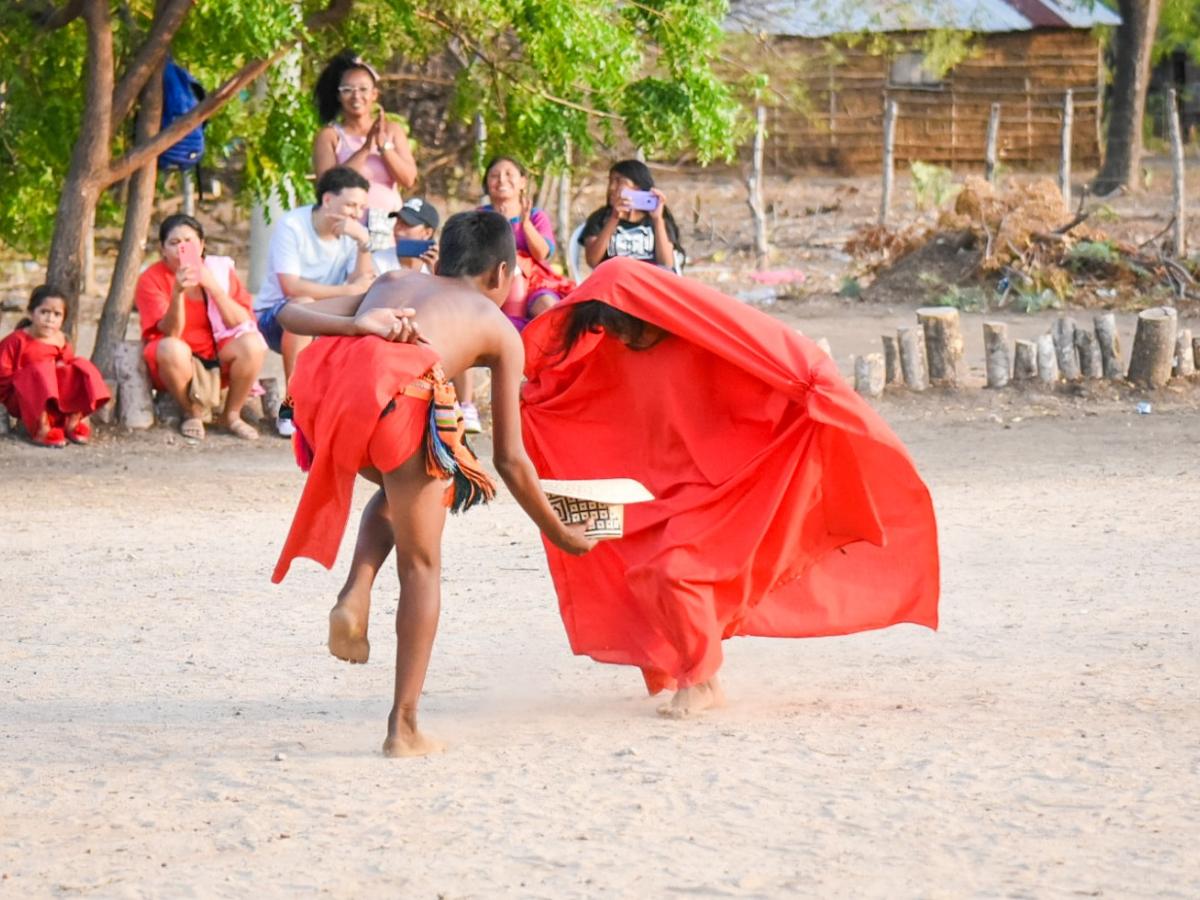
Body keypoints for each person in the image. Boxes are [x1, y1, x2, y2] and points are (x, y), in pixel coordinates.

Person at [520, 258, 940, 718]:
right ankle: (701, 676)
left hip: (731, 481)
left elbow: (775, 356)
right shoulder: (616, 352)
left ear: (648, 314)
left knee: (676, 571)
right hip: (668, 490)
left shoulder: (703, 336)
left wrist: (813, 393)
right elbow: (576, 393)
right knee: (646, 573)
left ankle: (700, 682)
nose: (621, 338)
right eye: (610, 329)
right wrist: (535, 400)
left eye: (626, 328)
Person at [270, 210, 596, 757]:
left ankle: (355, 591)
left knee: (410, 483)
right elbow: (511, 460)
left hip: (333, 406)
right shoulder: (499, 329)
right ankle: (404, 726)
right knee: (422, 563)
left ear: (442, 259)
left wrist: (360, 324)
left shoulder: (394, 281)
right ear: (501, 274)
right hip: (398, 409)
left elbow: (288, 313)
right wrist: (559, 533)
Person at [254, 166, 377, 435]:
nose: (356, 214)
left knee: (369, 315)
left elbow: (362, 283)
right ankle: (292, 405)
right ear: (328, 200)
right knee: (302, 303)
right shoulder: (292, 225)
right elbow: (290, 286)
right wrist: (346, 292)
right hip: (274, 316)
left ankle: (349, 411)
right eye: (351, 206)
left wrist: (363, 243)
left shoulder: (354, 233)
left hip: (327, 314)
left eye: (361, 208)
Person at [135, 214, 265, 440]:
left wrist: (212, 286)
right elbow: (172, 333)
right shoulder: (151, 279)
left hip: (217, 354)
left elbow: (241, 322)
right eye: (174, 243)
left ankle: (231, 415)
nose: (182, 248)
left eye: (189, 242)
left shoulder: (218, 270)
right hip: (176, 364)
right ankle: (192, 411)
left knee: (253, 344)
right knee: (171, 348)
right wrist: (177, 293)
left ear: (202, 245)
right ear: (162, 249)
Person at [376, 197, 483, 434]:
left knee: (461, 335)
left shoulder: (440, 265)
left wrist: (440, 273)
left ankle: (466, 405)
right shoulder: (379, 258)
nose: (399, 230)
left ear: (427, 232)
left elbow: (455, 304)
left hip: (430, 330)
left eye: (407, 225)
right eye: (398, 223)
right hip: (390, 328)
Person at [0, 285, 110, 447]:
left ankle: (72, 421)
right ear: (31, 313)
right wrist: (30, 376)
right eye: (44, 312)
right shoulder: (16, 340)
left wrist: (57, 369)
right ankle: (42, 429)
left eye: (57, 314)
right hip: (24, 400)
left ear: (63, 319)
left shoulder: (61, 340)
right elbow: (3, 378)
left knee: (80, 364)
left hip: (55, 401)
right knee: (40, 370)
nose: (50, 319)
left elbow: (70, 379)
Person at [312, 50, 416, 217]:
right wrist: (366, 148)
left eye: (363, 89)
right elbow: (326, 186)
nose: (356, 96)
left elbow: (408, 179)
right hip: (345, 229)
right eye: (348, 90)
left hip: (388, 229)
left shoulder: (392, 130)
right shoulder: (330, 136)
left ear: (374, 94)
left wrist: (384, 147)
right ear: (338, 95)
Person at [479, 156, 574, 330]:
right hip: (493, 281)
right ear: (487, 183)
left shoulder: (536, 216)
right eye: (494, 175)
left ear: (522, 182)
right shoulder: (478, 216)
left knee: (549, 310)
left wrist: (526, 224)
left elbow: (542, 254)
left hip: (535, 281)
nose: (501, 180)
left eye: (509, 174)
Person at [581, 159, 683, 272]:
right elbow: (592, 261)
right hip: (615, 279)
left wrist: (658, 219)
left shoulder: (658, 218)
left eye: (619, 181)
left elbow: (666, 264)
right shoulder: (600, 218)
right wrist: (614, 218)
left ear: (638, 187)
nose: (612, 187)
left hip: (648, 279)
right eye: (610, 181)